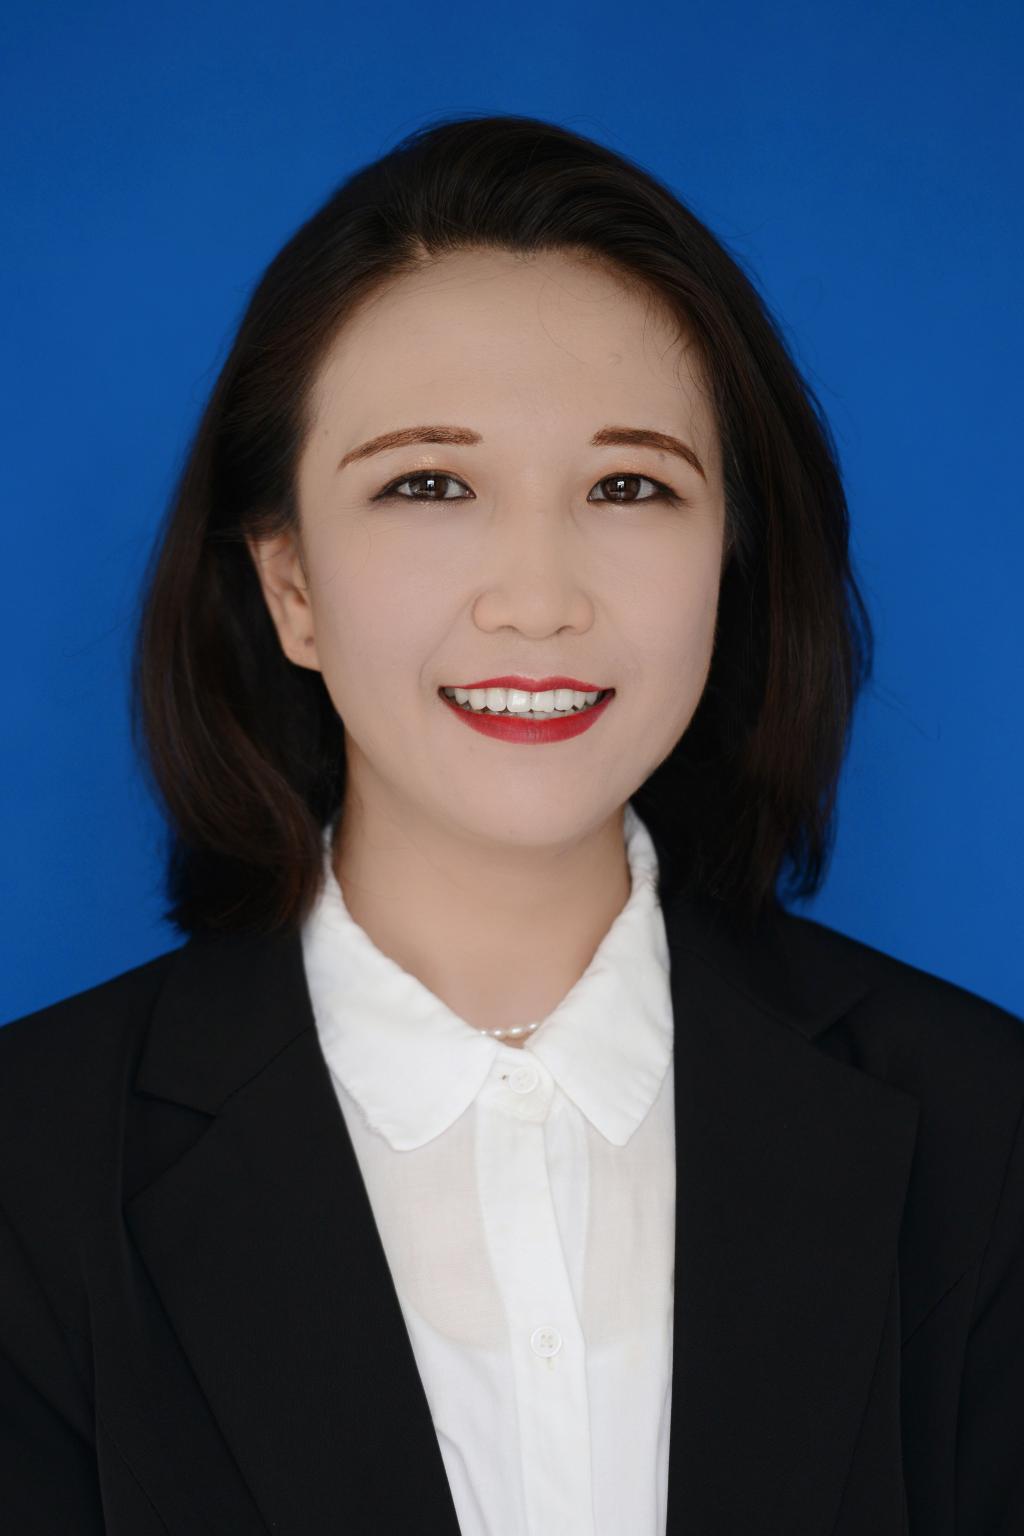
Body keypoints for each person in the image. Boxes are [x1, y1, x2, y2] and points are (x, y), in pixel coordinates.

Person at [0, 112, 1021, 1536]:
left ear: (729, 563)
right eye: (429, 485)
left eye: (629, 486)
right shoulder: (30, 1170)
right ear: (291, 587)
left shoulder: (986, 1129)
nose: (537, 600)